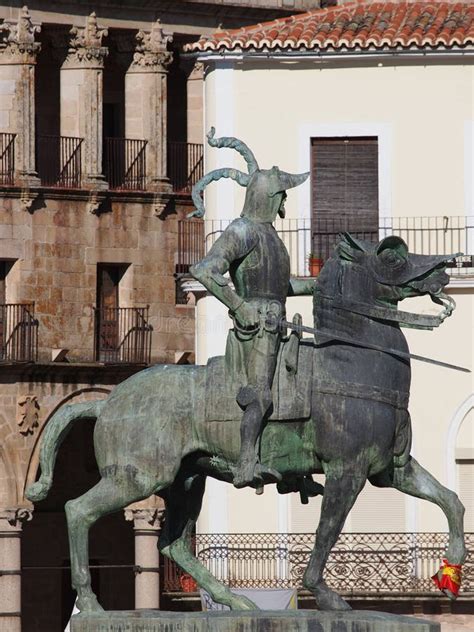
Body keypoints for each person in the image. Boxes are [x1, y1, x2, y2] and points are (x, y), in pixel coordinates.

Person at [190, 129, 313, 488]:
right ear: (270, 197)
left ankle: (295, 467)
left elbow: (282, 288)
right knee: (260, 393)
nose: (285, 203)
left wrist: (320, 285)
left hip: (277, 324)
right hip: (254, 330)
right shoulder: (242, 230)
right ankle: (246, 463)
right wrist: (239, 307)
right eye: (283, 196)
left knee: (302, 384)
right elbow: (204, 270)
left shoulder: (271, 236)